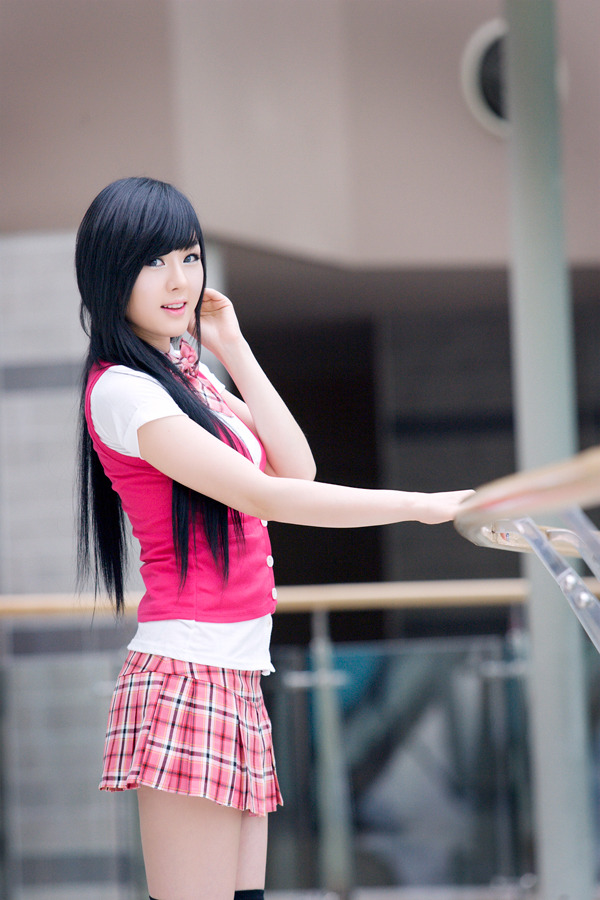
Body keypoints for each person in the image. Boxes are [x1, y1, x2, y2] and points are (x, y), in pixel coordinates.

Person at [75, 176, 472, 900]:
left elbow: (296, 465)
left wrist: (232, 344)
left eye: (189, 257)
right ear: (108, 274)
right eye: (152, 262)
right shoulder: (125, 390)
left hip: (233, 673)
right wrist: (417, 505)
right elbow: (264, 495)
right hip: (189, 676)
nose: (179, 281)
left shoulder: (188, 377)